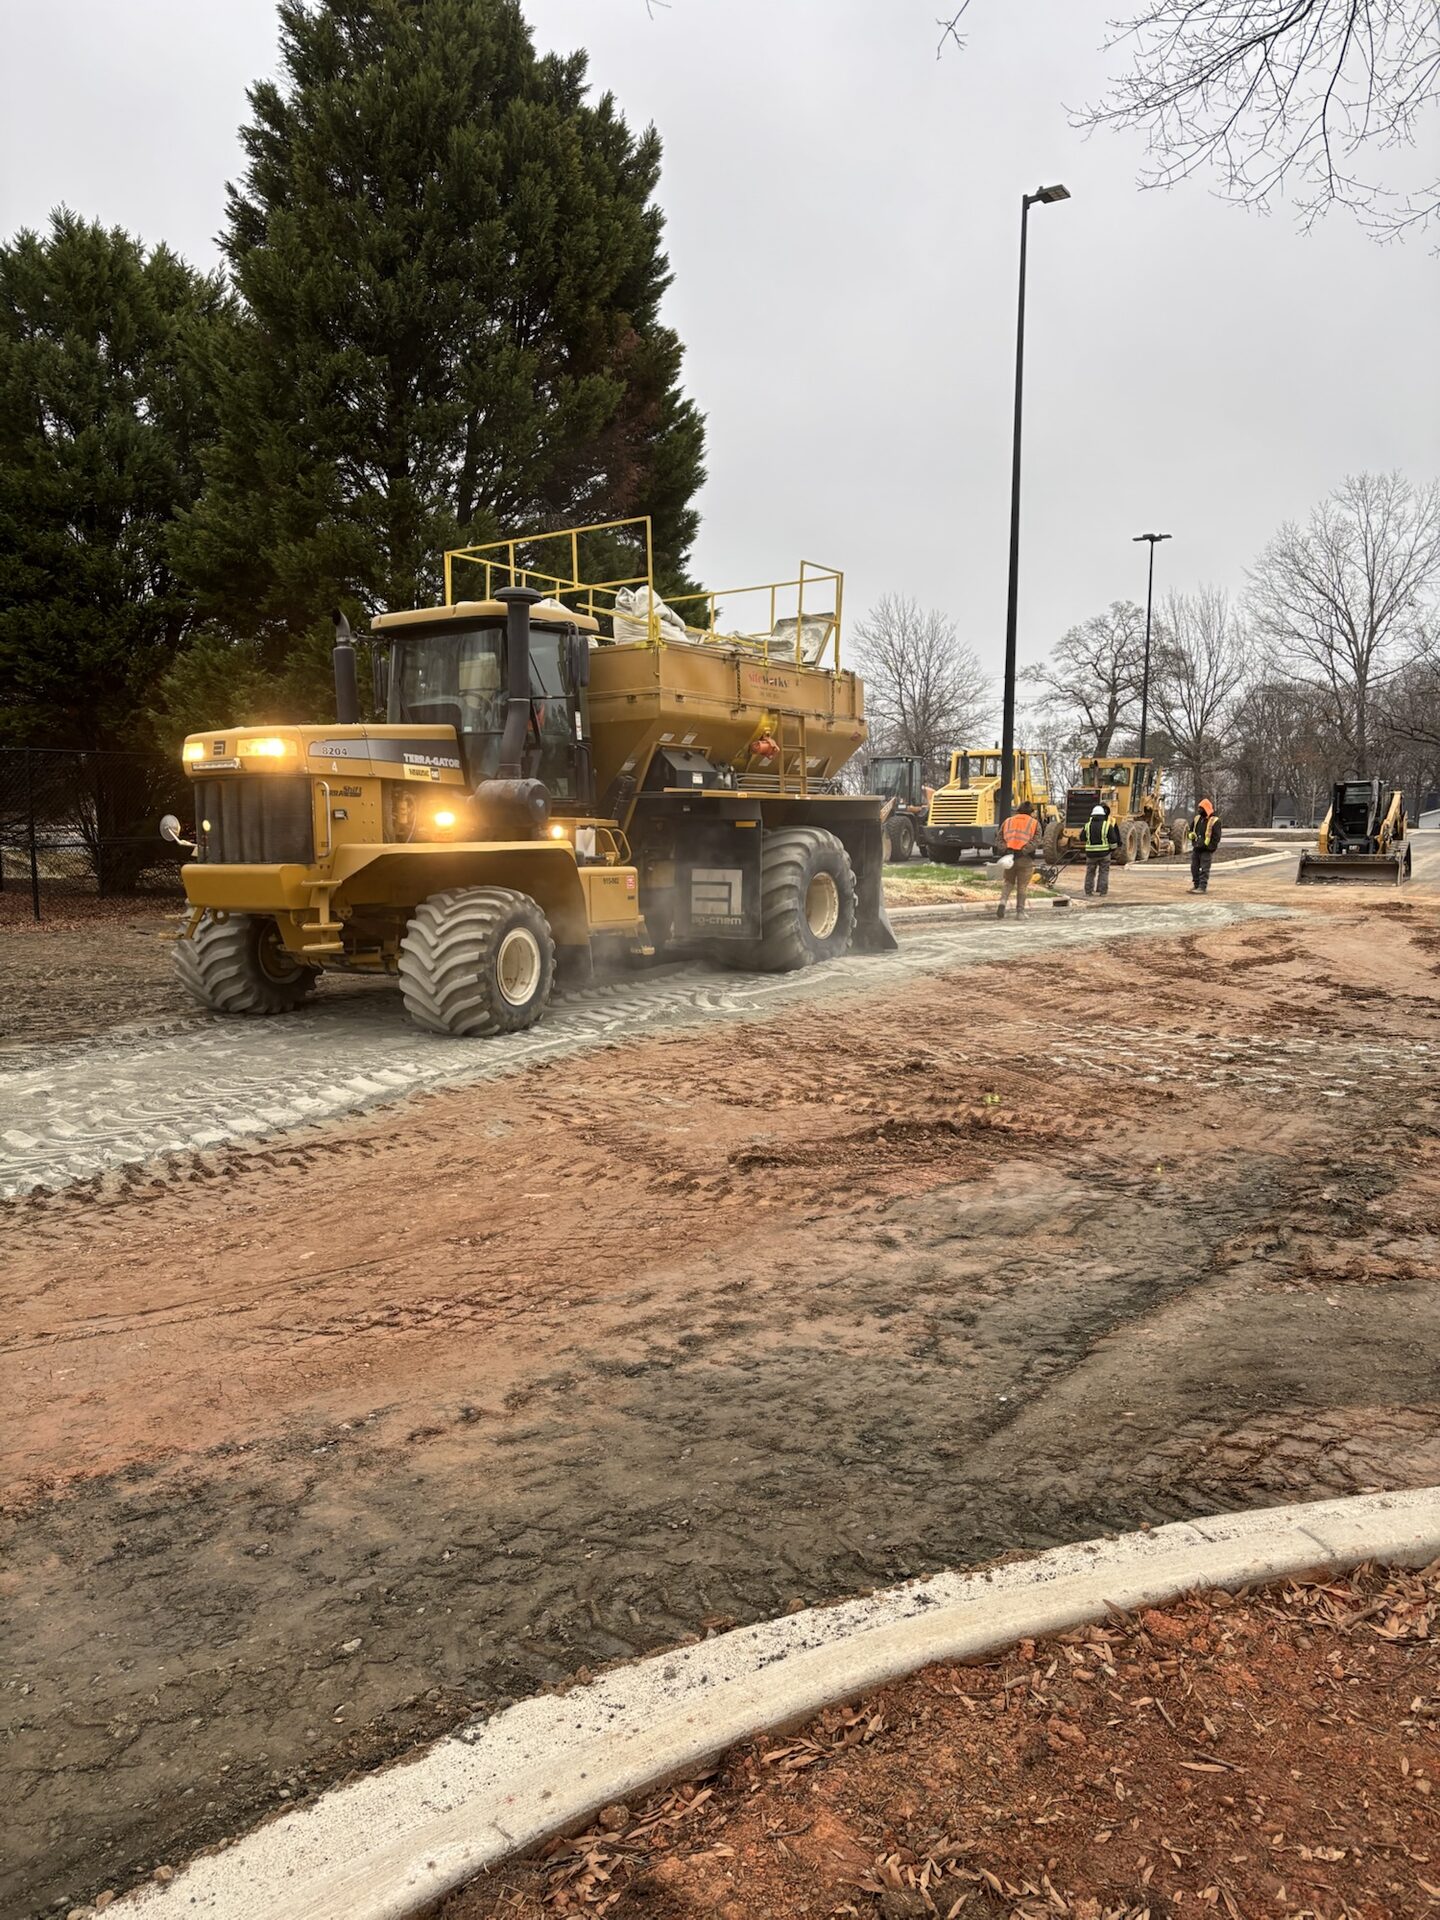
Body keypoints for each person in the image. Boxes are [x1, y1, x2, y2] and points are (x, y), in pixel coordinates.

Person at [995, 801, 1040, 919]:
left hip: (1009, 858)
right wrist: (1023, 851)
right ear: (1031, 812)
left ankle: (1002, 902)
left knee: (1008, 882)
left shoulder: (1008, 821)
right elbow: (1036, 841)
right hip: (1025, 858)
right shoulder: (1034, 823)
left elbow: (999, 838)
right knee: (1022, 885)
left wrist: (1006, 850)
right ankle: (1020, 912)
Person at [1081, 802, 1121, 897]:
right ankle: (1102, 891)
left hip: (1090, 855)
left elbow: (1082, 838)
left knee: (1090, 872)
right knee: (1103, 872)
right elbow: (1113, 840)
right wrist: (1112, 850)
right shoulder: (1107, 825)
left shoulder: (1087, 825)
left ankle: (1088, 891)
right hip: (1104, 854)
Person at [1189, 797, 1222, 892]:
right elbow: (1191, 831)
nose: (1199, 810)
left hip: (1206, 850)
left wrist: (1210, 847)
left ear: (1206, 809)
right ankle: (1196, 885)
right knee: (1194, 867)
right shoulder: (1197, 819)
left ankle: (1202, 887)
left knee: (1204, 869)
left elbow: (1216, 837)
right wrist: (1192, 839)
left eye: (1201, 808)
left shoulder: (1215, 821)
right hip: (1197, 848)